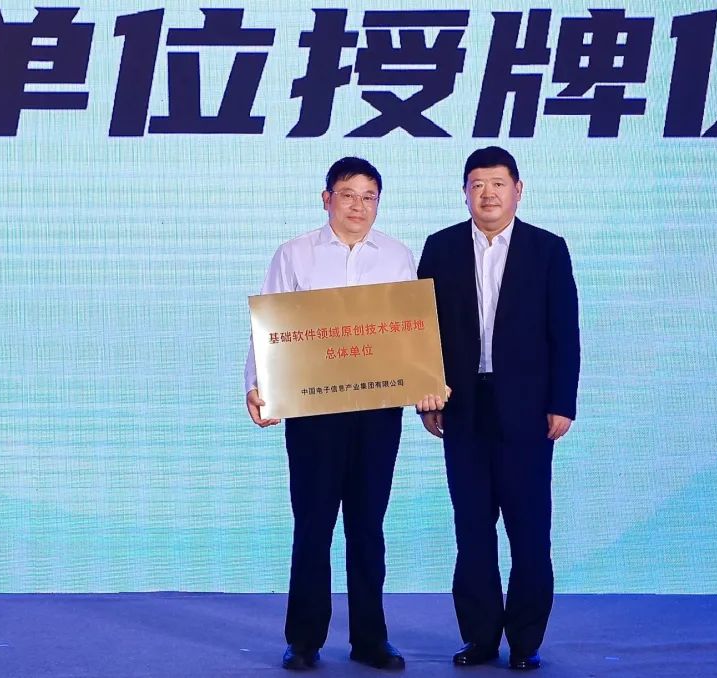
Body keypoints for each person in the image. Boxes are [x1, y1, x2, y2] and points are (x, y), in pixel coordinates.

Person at [244, 157, 415, 672]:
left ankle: (371, 640)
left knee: (368, 527)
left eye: (369, 197)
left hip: (377, 408)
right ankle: (303, 639)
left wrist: (426, 382)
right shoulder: (294, 253)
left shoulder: (397, 256)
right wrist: (257, 385)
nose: (358, 206)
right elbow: (270, 325)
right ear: (327, 199)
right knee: (313, 526)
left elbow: (411, 331)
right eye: (347, 194)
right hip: (314, 408)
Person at [416, 147, 580, 671]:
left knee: (529, 531)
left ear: (518, 190)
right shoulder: (440, 247)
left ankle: (526, 641)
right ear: (465, 192)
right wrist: (425, 394)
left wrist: (563, 402)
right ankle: (480, 637)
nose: (487, 194)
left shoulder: (547, 249)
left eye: (498, 184)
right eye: (477, 185)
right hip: (462, 407)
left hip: (528, 411)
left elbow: (565, 331)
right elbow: (420, 329)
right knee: (472, 531)